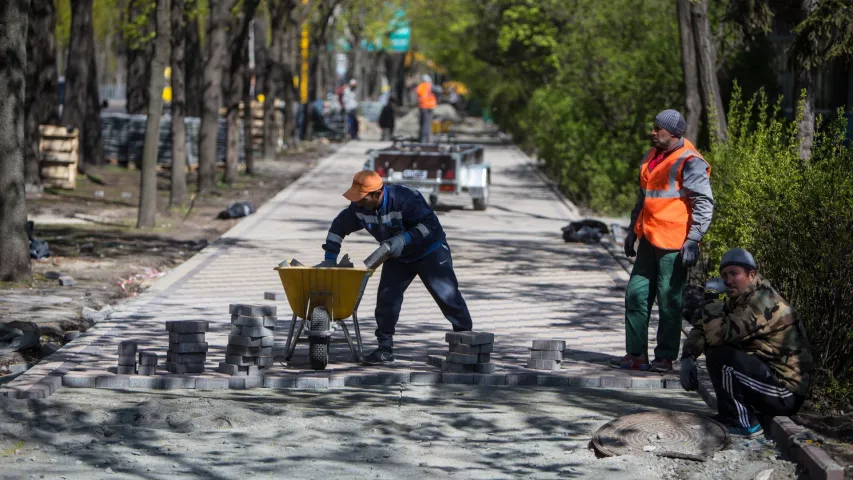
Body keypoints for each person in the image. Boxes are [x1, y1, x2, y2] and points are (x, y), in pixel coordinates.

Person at [317, 171, 474, 364]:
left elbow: (430, 225)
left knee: (448, 297)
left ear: (377, 194)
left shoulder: (406, 198)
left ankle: (466, 343)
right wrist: (330, 259)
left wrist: (404, 238)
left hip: (431, 253)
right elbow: (337, 229)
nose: (357, 203)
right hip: (397, 256)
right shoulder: (359, 209)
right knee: (386, 300)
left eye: (362, 198)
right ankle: (385, 349)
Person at [610, 109, 714, 372]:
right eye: (654, 127)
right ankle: (636, 355)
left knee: (669, 300)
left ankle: (665, 358)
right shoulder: (652, 156)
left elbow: (703, 203)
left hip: (674, 244)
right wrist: (633, 231)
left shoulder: (691, 161)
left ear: (675, 134)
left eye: (659, 130)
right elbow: (644, 199)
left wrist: (694, 240)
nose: (653, 133)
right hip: (649, 238)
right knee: (636, 294)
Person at [679, 248, 813, 437]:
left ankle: (742, 423)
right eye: (724, 275)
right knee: (717, 349)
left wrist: (710, 298)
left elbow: (717, 335)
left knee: (721, 355)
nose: (728, 280)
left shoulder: (762, 302)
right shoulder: (740, 299)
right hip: (768, 381)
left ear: (751, 275)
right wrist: (688, 357)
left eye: (734, 274)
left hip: (785, 394)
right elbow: (703, 327)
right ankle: (731, 415)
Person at [415, 74, 439, 143]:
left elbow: (417, 93)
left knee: (422, 123)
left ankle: (421, 138)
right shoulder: (430, 86)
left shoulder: (420, 86)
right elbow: (439, 90)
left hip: (422, 107)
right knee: (427, 124)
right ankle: (426, 140)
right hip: (429, 107)